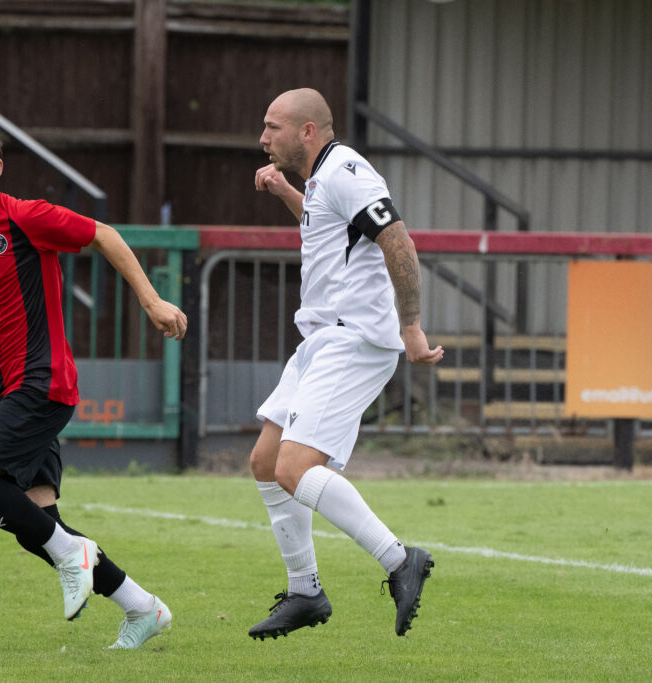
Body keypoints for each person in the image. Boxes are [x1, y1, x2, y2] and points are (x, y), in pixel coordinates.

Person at [0, 110, 186, 649]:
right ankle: (143, 608)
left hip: (42, 384)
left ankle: (77, 556)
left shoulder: (27, 217)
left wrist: (152, 300)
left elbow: (105, 235)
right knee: (38, 527)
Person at [247, 89, 444, 641]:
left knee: (294, 468)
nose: (264, 138)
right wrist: (290, 192)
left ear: (308, 131)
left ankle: (401, 560)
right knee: (266, 462)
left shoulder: (347, 170)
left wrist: (410, 327)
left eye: (273, 127)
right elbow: (329, 229)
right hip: (320, 339)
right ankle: (305, 591)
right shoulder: (320, 181)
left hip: (354, 340)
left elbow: (396, 241)